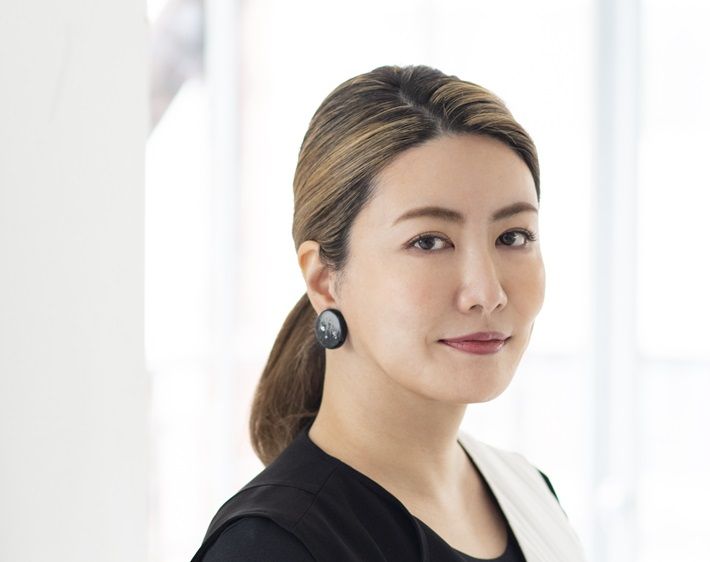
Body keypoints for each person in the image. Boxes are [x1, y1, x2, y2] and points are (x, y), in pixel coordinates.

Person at [190, 65, 586, 561]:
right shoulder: (272, 547)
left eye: (513, 236)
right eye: (429, 241)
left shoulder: (528, 493)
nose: (486, 293)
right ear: (324, 279)